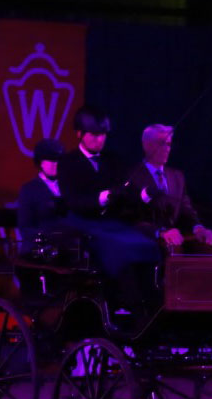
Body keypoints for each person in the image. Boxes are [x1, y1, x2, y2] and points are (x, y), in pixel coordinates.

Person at [56, 106, 159, 318]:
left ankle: (153, 302)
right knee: (119, 247)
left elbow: (126, 191)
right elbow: (72, 200)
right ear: (79, 134)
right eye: (94, 135)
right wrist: (101, 198)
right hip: (83, 224)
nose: (99, 140)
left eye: (102, 135)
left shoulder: (114, 160)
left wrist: (144, 195)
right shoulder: (68, 163)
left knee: (147, 245)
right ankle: (128, 303)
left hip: (113, 224)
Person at [126, 124, 212, 251]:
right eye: (161, 143)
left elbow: (186, 210)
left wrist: (199, 228)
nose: (166, 149)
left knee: (210, 243)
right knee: (172, 246)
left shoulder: (177, 177)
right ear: (146, 145)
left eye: (169, 144)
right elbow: (130, 217)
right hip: (148, 238)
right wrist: (160, 232)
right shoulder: (132, 175)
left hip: (175, 236)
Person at [17, 138, 66, 254]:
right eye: (51, 160)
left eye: (58, 160)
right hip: (39, 248)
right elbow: (25, 228)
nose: (56, 164)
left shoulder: (68, 186)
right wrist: (49, 237)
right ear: (41, 162)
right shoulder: (29, 189)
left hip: (67, 247)